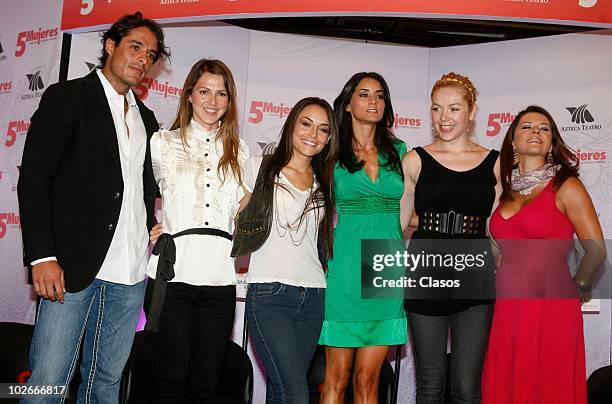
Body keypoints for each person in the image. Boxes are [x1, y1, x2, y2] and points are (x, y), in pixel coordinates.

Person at [17, 12, 169, 403]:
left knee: (105, 385)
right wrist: (42, 256)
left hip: (131, 271)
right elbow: (34, 179)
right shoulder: (68, 97)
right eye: (135, 47)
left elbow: (138, 189)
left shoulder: (147, 118)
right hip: (70, 266)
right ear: (110, 45)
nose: (142, 59)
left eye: (150, 55)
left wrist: (155, 223)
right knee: (48, 381)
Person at [482, 105, 606, 404]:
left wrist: (579, 286)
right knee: (508, 380)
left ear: (552, 143)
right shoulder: (504, 193)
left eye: (544, 128)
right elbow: (495, 249)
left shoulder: (566, 186)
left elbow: (597, 250)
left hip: (551, 301)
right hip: (507, 304)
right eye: (526, 126)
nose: (535, 131)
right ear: (512, 141)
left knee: (548, 383)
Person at [144, 58, 249, 403]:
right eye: (204, 91)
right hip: (173, 276)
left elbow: (252, 210)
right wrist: (149, 225)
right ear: (189, 94)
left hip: (219, 279)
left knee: (206, 383)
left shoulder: (241, 151)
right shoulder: (162, 143)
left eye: (221, 93)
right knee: (169, 377)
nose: (212, 100)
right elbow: (136, 194)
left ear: (229, 101)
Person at [231, 97, 338, 404]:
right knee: (295, 394)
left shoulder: (325, 182)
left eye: (322, 130)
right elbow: (226, 213)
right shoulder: (259, 167)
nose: (313, 135)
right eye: (306, 124)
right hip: (270, 295)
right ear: (292, 124)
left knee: (282, 391)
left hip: (315, 296)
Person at [401, 72, 500, 403]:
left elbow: (500, 230)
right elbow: (396, 225)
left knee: (467, 387)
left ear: (471, 112)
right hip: (425, 272)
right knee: (430, 384)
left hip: (475, 275)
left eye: (454, 108)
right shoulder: (414, 160)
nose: (444, 118)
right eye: (436, 108)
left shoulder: (496, 164)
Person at [319, 72, 408, 403]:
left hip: (386, 266)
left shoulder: (400, 151)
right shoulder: (330, 150)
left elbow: (411, 209)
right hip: (344, 266)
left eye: (380, 96)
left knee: (368, 378)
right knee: (336, 378)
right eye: (364, 94)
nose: (373, 101)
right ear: (347, 104)